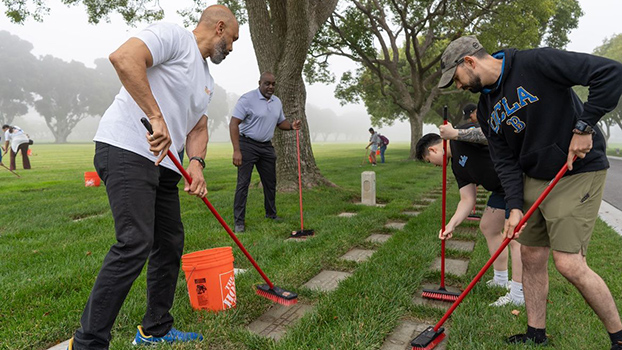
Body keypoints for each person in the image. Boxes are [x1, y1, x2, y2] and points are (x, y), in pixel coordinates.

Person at [67, 5, 239, 350]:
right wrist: (155, 116)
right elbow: (124, 57)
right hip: (128, 148)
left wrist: (196, 164)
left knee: (170, 242)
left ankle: (155, 329)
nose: (232, 48)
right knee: (134, 242)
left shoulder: (207, 80)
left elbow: (198, 127)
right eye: (232, 39)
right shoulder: (174, 36)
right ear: (219, 27)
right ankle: (87, 342)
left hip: (165, 166)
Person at [438, 35, 622, 348]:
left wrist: (584, 127)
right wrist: (514, 207)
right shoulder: (486, 109)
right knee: (531, 254)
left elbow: (610, 73)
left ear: (469, 62)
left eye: (456, 79)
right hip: (535, 176)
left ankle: (618, 338)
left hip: (576, 169)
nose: (458, 87)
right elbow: (506, 163)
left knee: (568, 263)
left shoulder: (535, 62)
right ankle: (535, 334)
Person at [415, 132, 524, 306]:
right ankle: (501, 279)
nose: (434, 166)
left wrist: (455, 133)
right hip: (500, 189)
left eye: (429, 160)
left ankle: (518, 295)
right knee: (488, 226)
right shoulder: (457, 168)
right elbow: (467, 199)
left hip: (517, 182)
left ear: (433, 150)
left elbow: (492, 133)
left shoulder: (462, 137)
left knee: (515, 237)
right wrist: (451, 224)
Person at [229, 72, 301, 233]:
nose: (270, 87)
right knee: (243, 184)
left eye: (273, 84)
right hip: (247, 144)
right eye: (267, 83)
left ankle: (271, 214)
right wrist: (236, 150)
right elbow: (234, 124)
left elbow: (280, 122)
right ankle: (239, 221)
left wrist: (291, 126)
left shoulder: (276, 102)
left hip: (266, 146)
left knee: (270, 182)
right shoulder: (247, 99)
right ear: (259, 83)